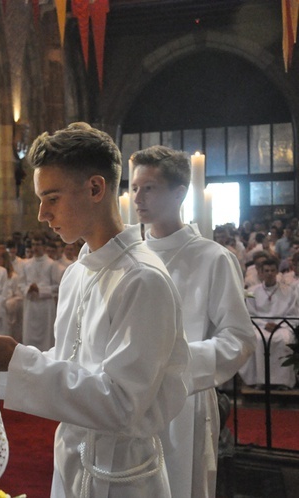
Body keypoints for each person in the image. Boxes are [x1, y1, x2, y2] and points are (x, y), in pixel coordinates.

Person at [0, 122, 189, 498]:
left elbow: (122, 405)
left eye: (53, 197)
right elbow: (69, 364)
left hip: (125, 477)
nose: (42, 214)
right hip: (71, 462)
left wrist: (16, 360)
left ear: (95, 188)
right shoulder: (78, 272)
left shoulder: (142, 279)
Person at [130, 145, 256, 498]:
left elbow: (239, 339)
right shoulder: (129, 256)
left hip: (186, 399)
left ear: (180, 192)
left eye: (149, 188)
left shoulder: (212, 257)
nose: (138, 197)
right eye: (135, 187)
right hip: (128, 398)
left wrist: (174, 364)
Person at [239, 257, 299, 389]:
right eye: (266, 270)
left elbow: (292, 314)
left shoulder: (288, 291)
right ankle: (260, 380)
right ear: (261, 272)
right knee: (258, 340)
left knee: (285, 339)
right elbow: (250, 314)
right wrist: (264, 324)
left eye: (272, 270)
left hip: (282, 325)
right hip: (260, 326)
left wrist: (278, 324)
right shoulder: (252, 291)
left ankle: (282, 382)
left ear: (277, 271)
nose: (269, 273)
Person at [19, 236, 58, 351]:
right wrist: (28, 288)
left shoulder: (52, 264)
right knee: (29, 337)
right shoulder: (26, 264)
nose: (35, 247)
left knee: (47, 337)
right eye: (34, 244)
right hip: (31, 304)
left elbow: (57, 287)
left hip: (45, 306)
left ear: (44, 247)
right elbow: (20, 284)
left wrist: (40, 290)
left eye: (38, 244)